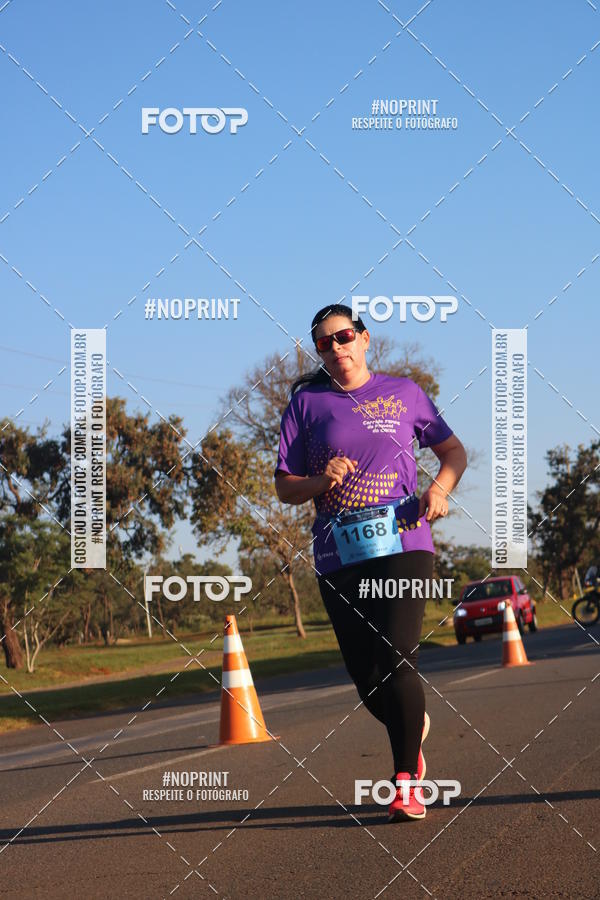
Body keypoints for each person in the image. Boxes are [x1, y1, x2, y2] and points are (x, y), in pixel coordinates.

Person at [274, 303, 467, 821]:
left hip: (404, 540)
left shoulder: (404, 393)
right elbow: (284, 486)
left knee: (398, 656)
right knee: (367, 676)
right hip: (338, 551)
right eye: (324, 343)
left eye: (343, 336)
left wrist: (439, 489)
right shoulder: (306, 405)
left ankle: (405, 783)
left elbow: (453, 452)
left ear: (363, 337)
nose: (335, 347)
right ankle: (410, 724)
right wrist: (321, 480)